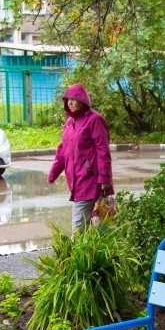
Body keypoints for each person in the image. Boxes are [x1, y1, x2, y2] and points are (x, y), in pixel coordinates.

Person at [47, 84, 114, 232]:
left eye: (73, 99)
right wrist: (53, 173)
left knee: (80, 229)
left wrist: (105, 178)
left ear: (83, 101)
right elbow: (62, 151)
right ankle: (94, 253)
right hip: (77, 181)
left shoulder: (95, 120)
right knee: (100, 227)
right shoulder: (69, 123)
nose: (70, 103)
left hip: (90, 180)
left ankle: (78, 253)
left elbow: (103, 150)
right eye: (67, 99)